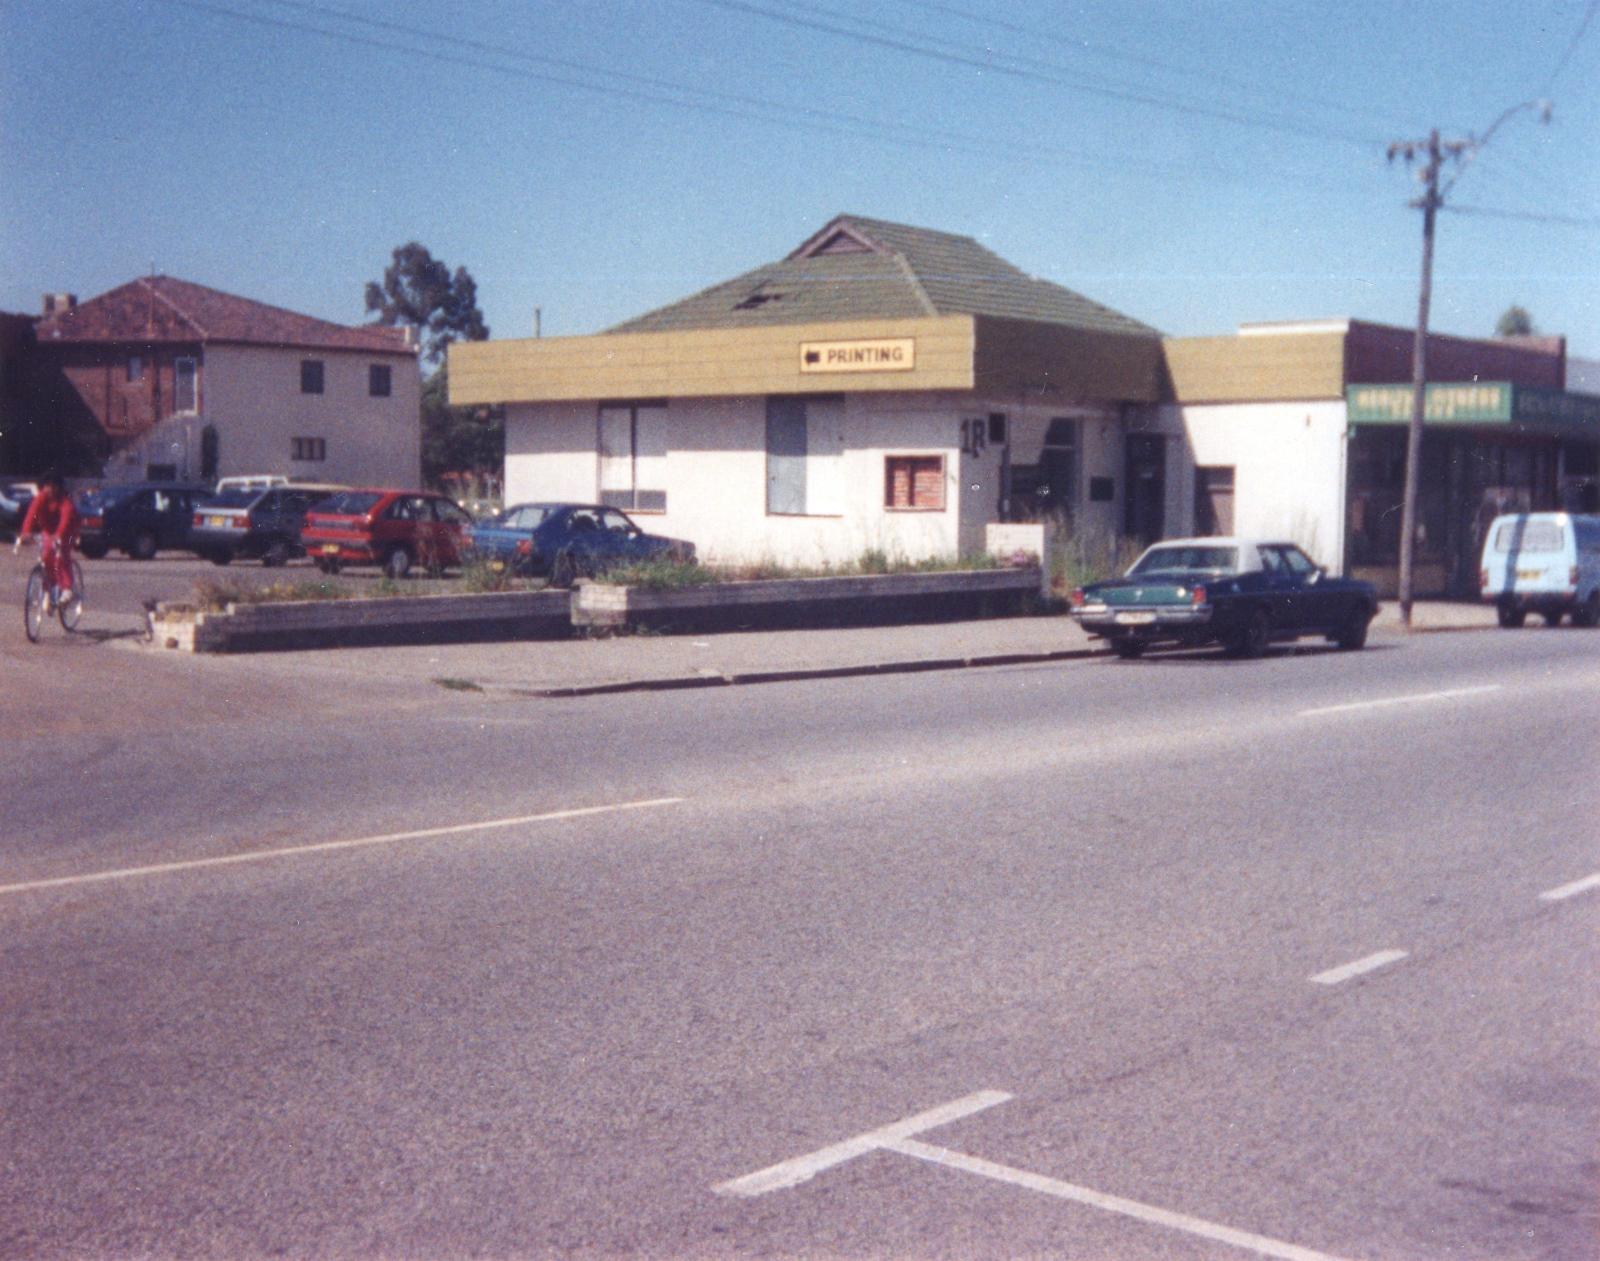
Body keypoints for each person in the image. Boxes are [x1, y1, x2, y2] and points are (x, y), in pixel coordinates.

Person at [13, 472, 79, 608]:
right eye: (47, 486)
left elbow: (66, 520)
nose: (49, 489)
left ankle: (67, 589)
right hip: (49, 531)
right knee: (47, 557)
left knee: (61, 556)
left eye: (52, 486)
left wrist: (59, 536)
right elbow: (31, 514)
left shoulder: (65, 501)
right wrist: (26, 533)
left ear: (59, 488)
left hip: (68, 531)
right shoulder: (41, 498)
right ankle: (49, 589)